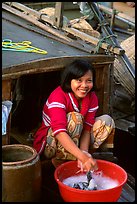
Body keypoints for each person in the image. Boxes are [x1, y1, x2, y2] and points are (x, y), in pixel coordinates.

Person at [33, 59, 115, 172]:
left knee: (107, 121)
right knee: (75, 118)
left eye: (88, 81)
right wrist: (82, 156)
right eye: (79, 80)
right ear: (69, 81)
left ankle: (79, 159)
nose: (84, 85)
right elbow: (59, 132)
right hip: (51, 142)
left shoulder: (92, 97)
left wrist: (84, 154)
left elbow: (87, 129)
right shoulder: (58, 96)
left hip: (77, 138)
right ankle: (61, 160)